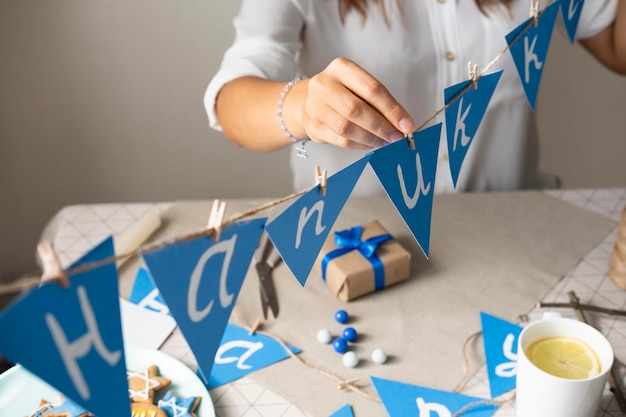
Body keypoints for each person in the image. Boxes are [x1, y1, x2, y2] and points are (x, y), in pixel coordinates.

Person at [204, 0, 625, 196]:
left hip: (514, 224)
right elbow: (232, 101)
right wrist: (301, 106)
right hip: (355, 238)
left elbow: (616, 44)